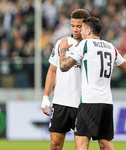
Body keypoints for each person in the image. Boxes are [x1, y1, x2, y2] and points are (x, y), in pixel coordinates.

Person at [59, 17, 126, 150]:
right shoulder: (110, 47)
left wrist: (63, 50)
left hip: (90, 102)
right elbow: (125, 67)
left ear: (89, 30)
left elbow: (63, 67)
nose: (80, 32)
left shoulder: (85, 45)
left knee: (82, 144)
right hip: (107, 102)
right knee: (106, 144)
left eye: (83, 29)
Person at [41, 9, 90, 150]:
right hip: (60, 101)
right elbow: (52, 70)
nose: (75, 29)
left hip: (82, 104)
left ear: (86, 26)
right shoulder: (61, 43)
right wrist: (45, 97)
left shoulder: (90, 46)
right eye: (72, 25)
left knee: (81, 147)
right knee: (55, 144)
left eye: (79, 26)